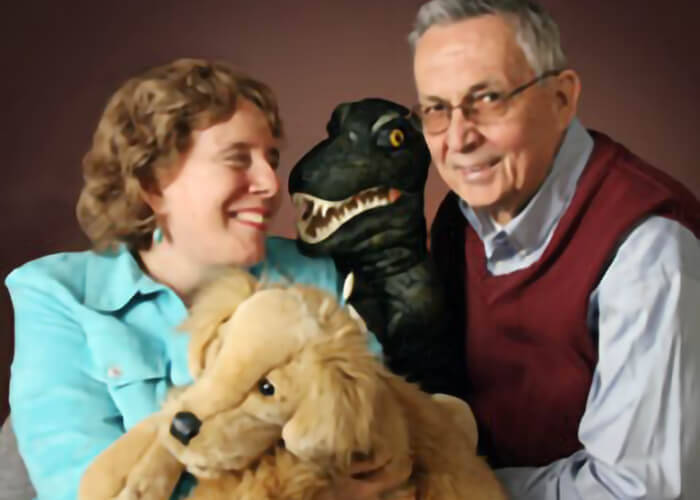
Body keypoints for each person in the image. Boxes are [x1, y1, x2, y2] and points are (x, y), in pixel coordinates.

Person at [5, 58, 406, 500]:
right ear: (152, 183)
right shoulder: (56, 297)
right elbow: (86, 490)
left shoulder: (314, 273)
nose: (272, 183)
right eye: (238, 159)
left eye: (271, 158)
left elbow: (377, 451)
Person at [409, 0, 700, 498]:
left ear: (562, 99)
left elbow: (641, 491)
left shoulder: (649, 254)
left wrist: (446, 491)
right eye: (437, 108)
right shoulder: (460, 221)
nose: (458, 137)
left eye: (489, 98)